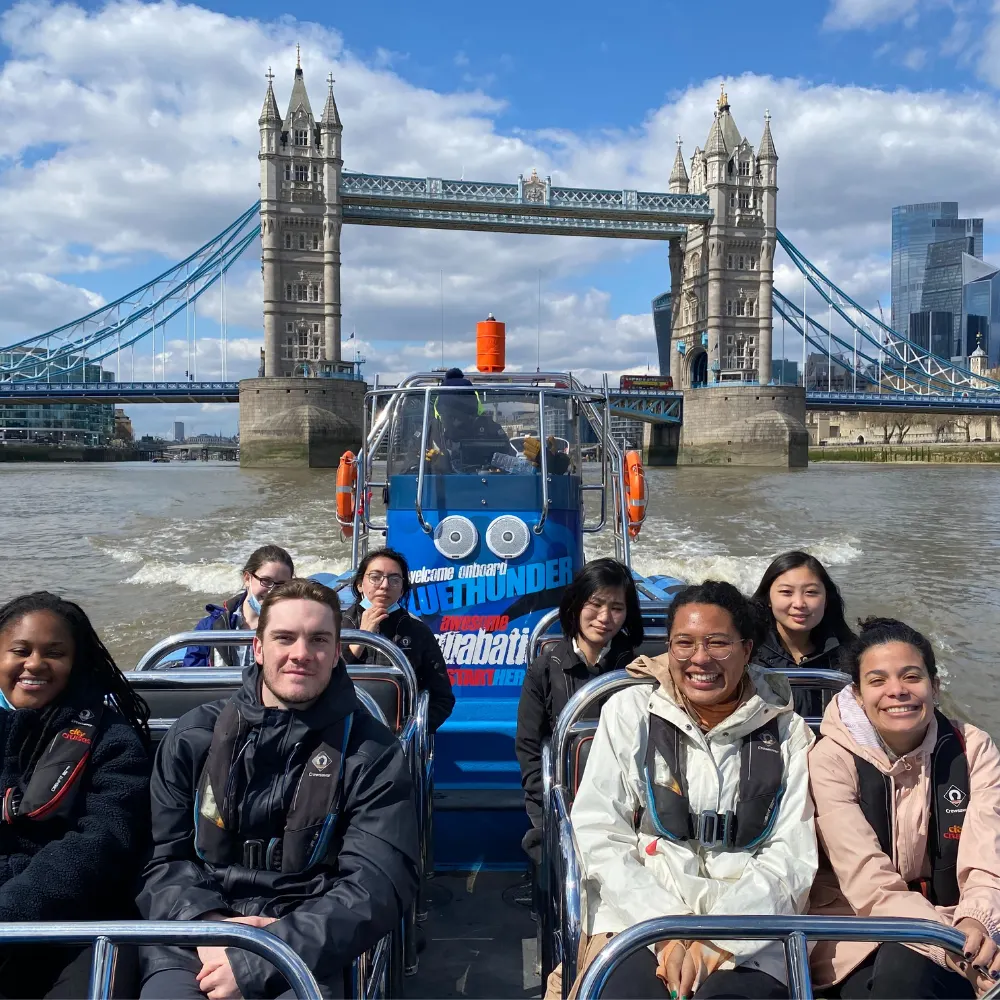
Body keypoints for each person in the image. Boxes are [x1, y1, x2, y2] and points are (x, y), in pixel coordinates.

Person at [138, 578, 420, 1000]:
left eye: (319, 640)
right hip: (190, 935)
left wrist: (267, 952)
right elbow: (160, 858)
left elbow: (376, 883)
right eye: (284, 638)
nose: (301, 654)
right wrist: (209, 922)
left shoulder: (373, 753)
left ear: (336, 650)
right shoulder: (193, 737)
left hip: (311, 942)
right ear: (258, 647)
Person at [564, 581, 817, 1000]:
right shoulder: (629, 714)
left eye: (718, 643)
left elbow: (791, 854)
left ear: (747, 650)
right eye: (685, 643)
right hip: (638, 918)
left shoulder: (788, 732)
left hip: (752, 928)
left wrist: (721, 940)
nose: (700, 659)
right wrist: (665, 930)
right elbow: (599, 831)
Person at [808, 617, 1000, 999]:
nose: (897, 691)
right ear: (859, 696)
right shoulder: (830, 758)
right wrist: (948, 947)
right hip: (854, 933)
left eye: (911, 677)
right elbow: (867, 879)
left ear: (935, 685)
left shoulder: (974, 749)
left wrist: (978, 920)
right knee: (904, 969)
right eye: (877, 681)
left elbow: (988, 860)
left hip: (961, 921)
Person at [0, 592, 151, 999]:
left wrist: (9, 906)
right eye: (20, 650)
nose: (34, 663)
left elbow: (101, 844)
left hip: (84, 924)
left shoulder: (113, 740)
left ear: (76, 662)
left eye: (54, 652)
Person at [515, 558, 643, 864]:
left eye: (616, 608)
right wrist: (548, 807)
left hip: (627, 799)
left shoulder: (638, 669)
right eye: (595, 604)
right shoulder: (545, 669)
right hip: (564, 795)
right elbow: (530, 748)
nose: (604, 617)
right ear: (575, 605)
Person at [341, 548, 455, 733]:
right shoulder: (335, 626)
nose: (384, 585)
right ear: (360, 583)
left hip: (397, 737)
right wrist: (363, 635)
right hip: (343, 732)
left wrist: (412, 732)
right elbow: (323, 680)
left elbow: (442, 697)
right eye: (375, 577)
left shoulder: (417, 631)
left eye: (394, 579)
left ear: (402, 589)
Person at [751, 551, 854, 717]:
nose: (799, 603)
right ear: (768, 598)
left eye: (811, 592)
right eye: (786, 592)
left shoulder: (851, 656)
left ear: (827, 599)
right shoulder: (747, 652)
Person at [182, 545, 294, 668]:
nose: (272, 591)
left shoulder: (297, 628)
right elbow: (192, 678)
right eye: (266, 581)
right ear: (247, 578)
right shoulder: (210, 627)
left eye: (281, 585)